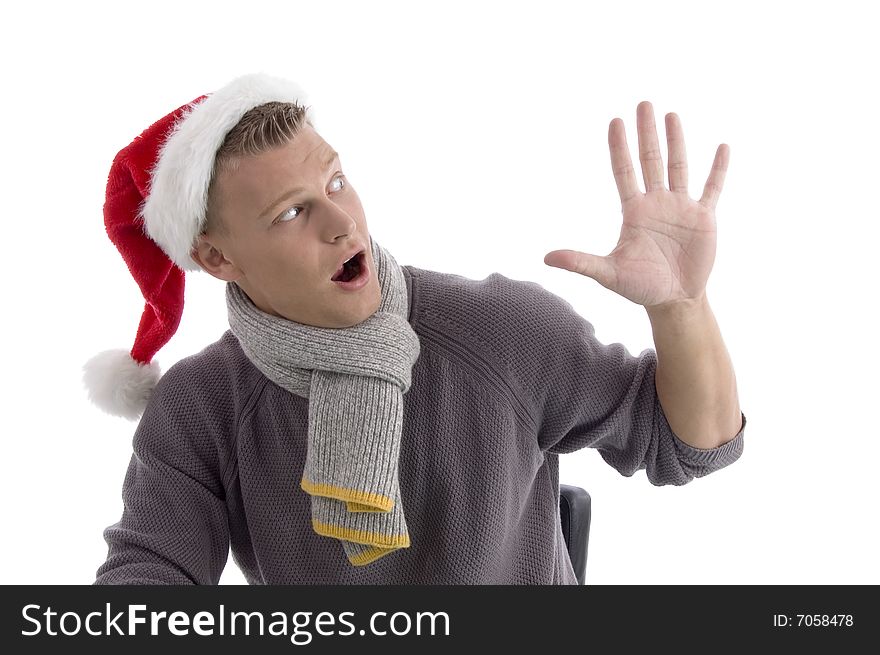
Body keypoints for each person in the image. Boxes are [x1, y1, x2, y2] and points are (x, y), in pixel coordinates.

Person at [85, 72, 746, 585]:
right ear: (217, 258)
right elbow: (150, 576)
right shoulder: (202, 407)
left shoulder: (498, 330)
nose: (342, 223)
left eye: (336, 179)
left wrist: (681, 306)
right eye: (291, 213)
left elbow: (692, 445)